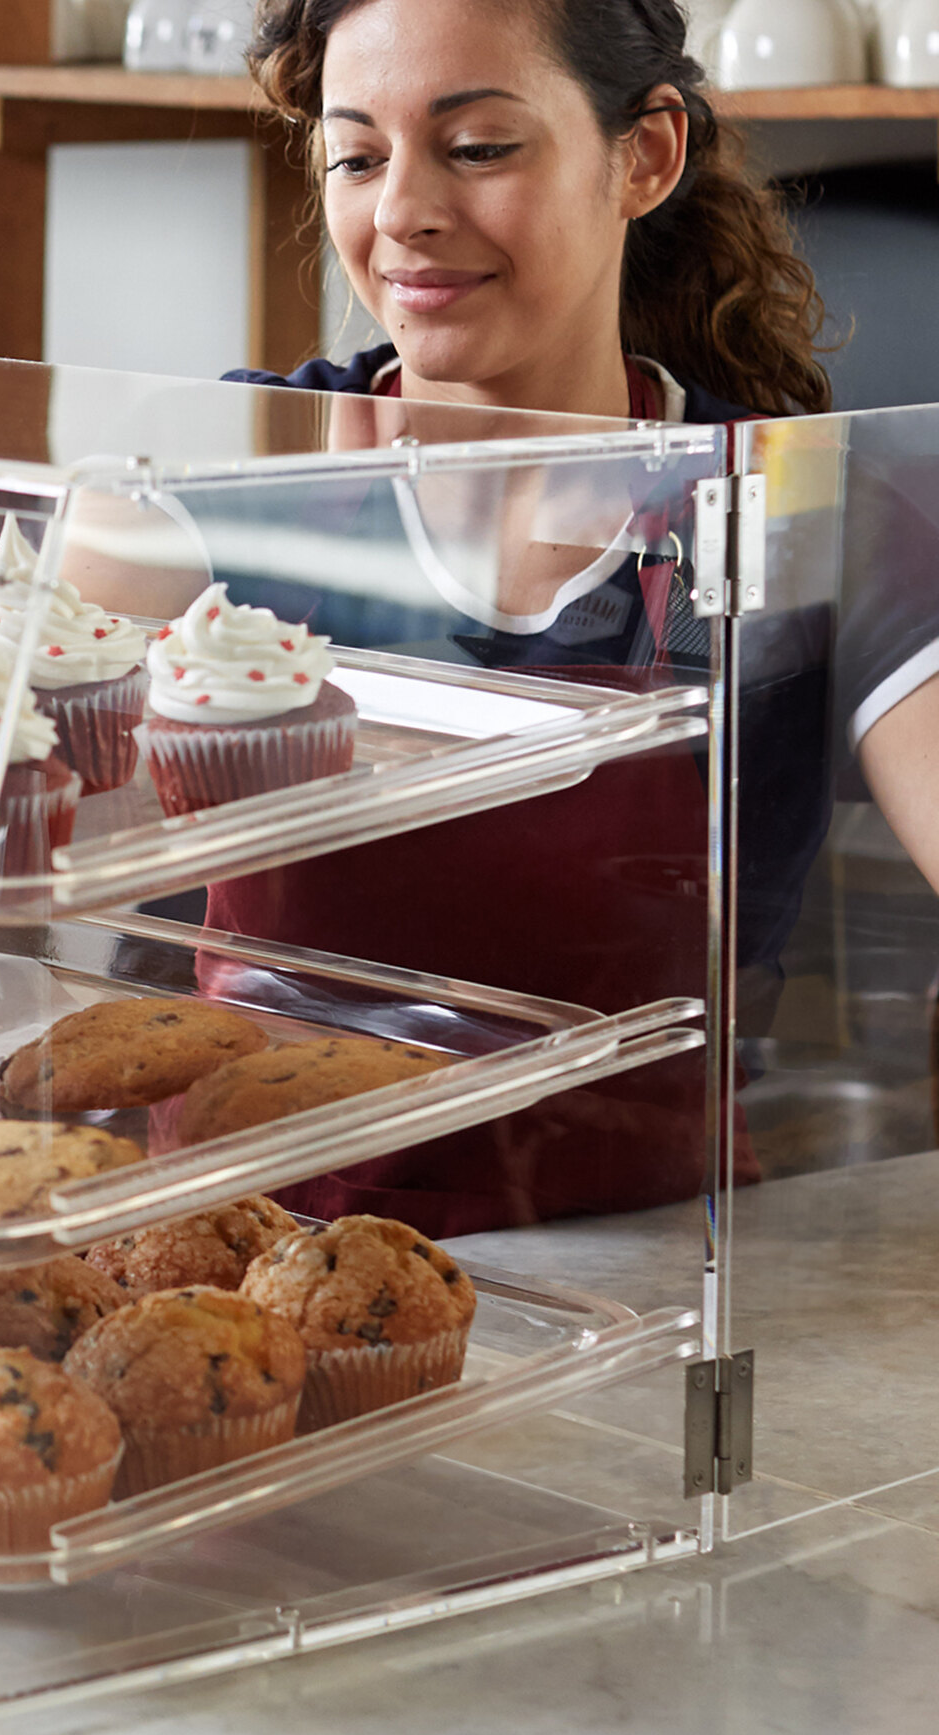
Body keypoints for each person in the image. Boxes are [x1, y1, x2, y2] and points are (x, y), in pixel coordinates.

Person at [78, 0, 939, 1231]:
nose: (402, 214)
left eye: (477, 146)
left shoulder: (782, 506)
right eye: (357, 155)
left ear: (641, 156)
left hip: (656, 1292)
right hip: (247, 1268)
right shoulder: (223, 473)